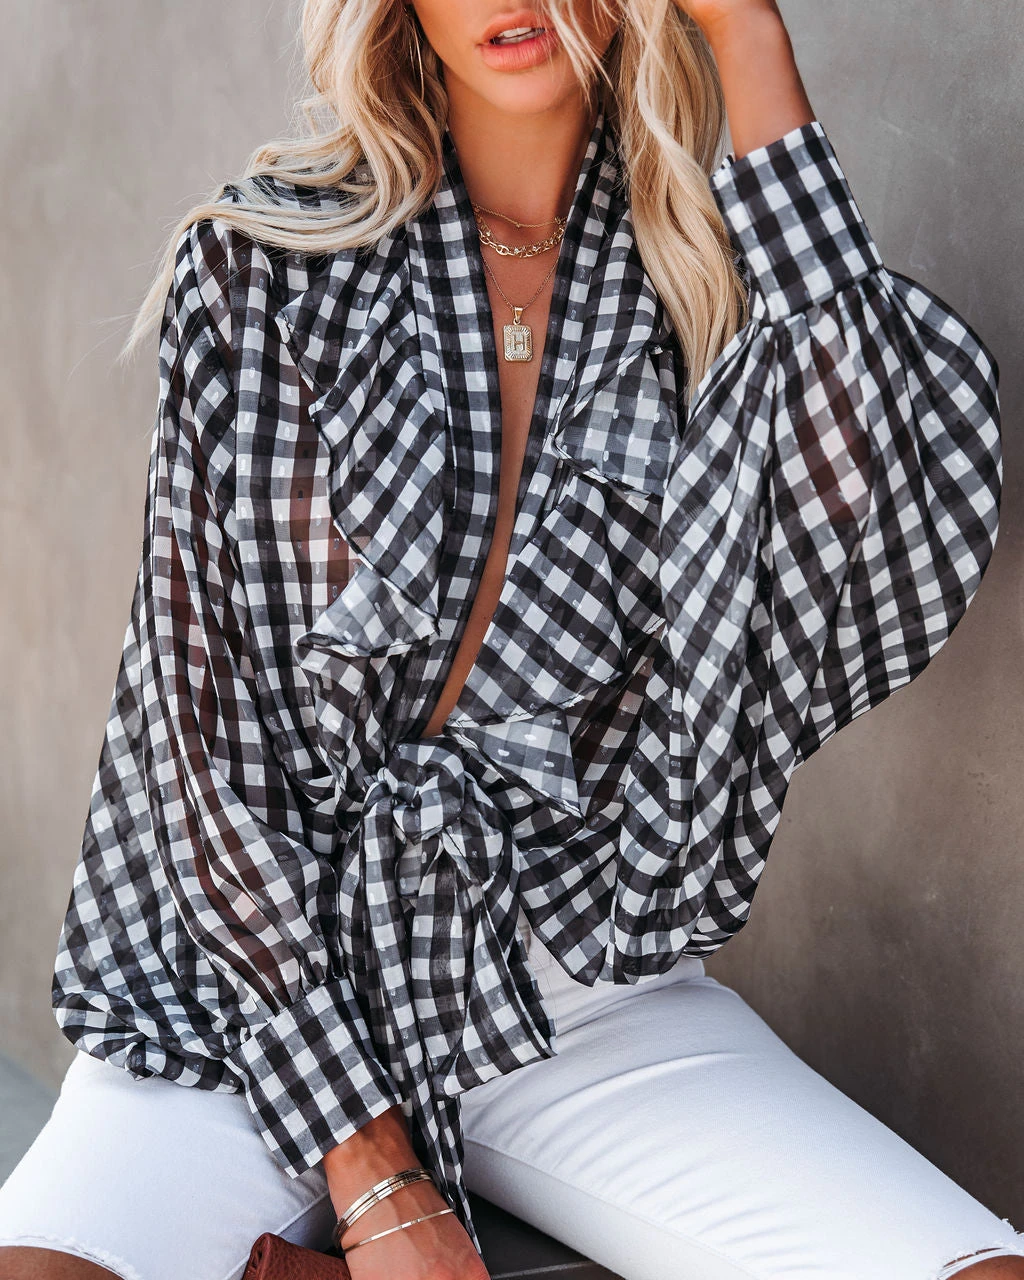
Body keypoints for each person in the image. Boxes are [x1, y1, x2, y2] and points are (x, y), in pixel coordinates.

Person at [0, 1, 1020, 1278]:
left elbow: (878, 516)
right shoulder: (259, 266)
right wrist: (376, 1177)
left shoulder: (712, 295)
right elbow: (201, 760)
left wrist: (748, 37)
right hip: (249, 987)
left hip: (557, 977)